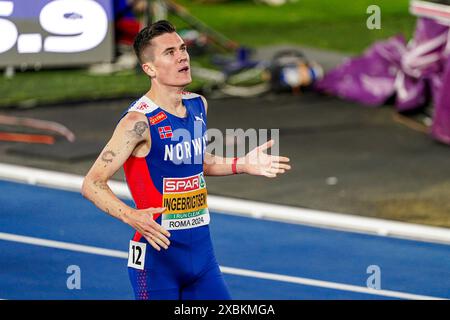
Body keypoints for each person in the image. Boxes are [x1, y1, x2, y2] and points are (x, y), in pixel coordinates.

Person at [81, 20, 291, 300]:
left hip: (201, 258)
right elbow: (92, 183)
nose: (182, 56)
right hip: (156, 261)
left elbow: (194, 160)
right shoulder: (137, 122)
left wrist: (242, 163)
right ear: (150, 69)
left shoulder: (197, 105)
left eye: (182, 48)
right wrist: (130, 215)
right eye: (170, 52)